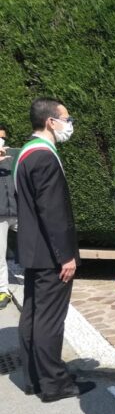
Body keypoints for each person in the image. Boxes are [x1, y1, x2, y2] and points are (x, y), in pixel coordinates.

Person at [15, 99, 95, 402]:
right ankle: (54, 384)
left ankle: (34, 378)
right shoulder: (44, 157)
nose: (69, 124)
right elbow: (53, 212)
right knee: (49, 318)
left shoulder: (25, 152)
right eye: (66, 119)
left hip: (33, 249)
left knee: (33, 314)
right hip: (50, 254)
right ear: (51, 121)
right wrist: (66, 256)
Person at [0, 122, 16, 308]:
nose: (1, 141)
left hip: (20, 212)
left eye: (3, 137)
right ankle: (3, 290)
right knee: (0, 255)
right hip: (0, 215)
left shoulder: (14, 156)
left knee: (36, 242)